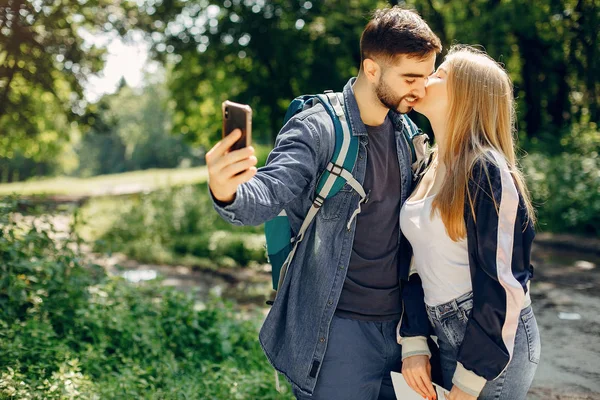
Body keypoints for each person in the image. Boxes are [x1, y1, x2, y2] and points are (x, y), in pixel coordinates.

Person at [206, 6, 442, 399]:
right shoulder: (318, 126)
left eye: (428, 76)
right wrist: (226, 190)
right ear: (372, 70)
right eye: (411, 78)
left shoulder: (407, 134)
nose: (422, 89)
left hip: (403, 333)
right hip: (336, 334)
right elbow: (267, 192)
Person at [398, 45, 541, 400]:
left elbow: (505, 282)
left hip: (492, 343)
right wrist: (414, 342)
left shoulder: (487, 170)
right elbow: (414, 262)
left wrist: (470, 380)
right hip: (444, 328)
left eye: (439, 74)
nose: (426, 79)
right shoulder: (427, 165)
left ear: (467, 94)